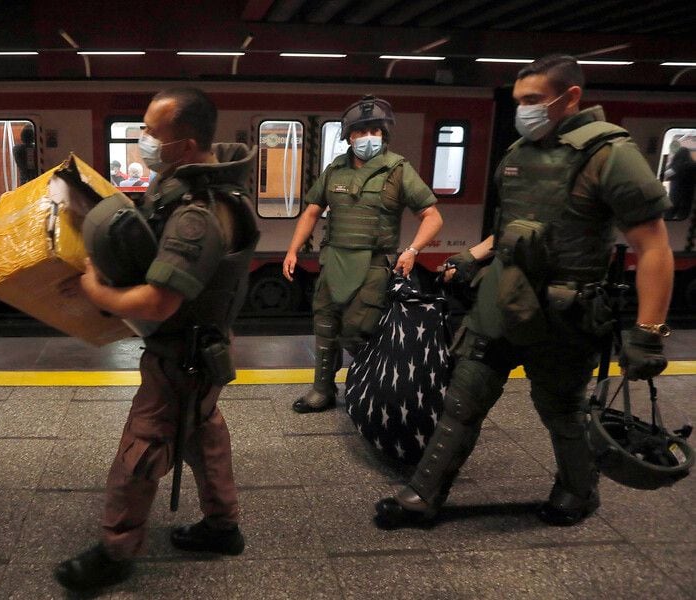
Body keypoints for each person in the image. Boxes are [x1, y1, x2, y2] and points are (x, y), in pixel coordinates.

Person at [375, 55, 674, 530]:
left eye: (534, 100)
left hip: (565, 312)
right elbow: (510, 228)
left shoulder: (610, 154)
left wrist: (649, 332)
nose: (524, 111)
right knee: (463, 397)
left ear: (570, 96)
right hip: (503, 298)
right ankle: (422, 494)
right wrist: (475, 254)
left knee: (560, 409)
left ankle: (578, 491)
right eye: (519, 102)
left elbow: (653, 244)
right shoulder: (519, 155)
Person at [54, 87, 259, 592]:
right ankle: (222, 526)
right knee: (204, 433)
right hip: (203, 349)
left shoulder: (196, 214)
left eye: (152, 132)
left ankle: (116, 551)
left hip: (181, 355)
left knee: (140, 450)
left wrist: (96, 291)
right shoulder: (210, 190)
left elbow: (158, 303)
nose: (143, 140)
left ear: (185, 146)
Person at [283, 95, 443, 413]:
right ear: (349, 136)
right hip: (333, 260)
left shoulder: (398, 170)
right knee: (325, 324)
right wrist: (293, 248)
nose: (368, 137)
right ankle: (322, 390)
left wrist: (412, 250)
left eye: (375, 130)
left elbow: (433, 216)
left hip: (373, 263)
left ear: (384, 134)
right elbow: (312, 210)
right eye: (360, 131)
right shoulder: (335, 170)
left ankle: (371, 386)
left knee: (359, 331)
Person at [663, 139, 696, 220]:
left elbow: (665, 175)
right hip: (689, 196)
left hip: (675, 194)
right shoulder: (693, 165)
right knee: (684, 215)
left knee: (669, 215)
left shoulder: (676, 166)